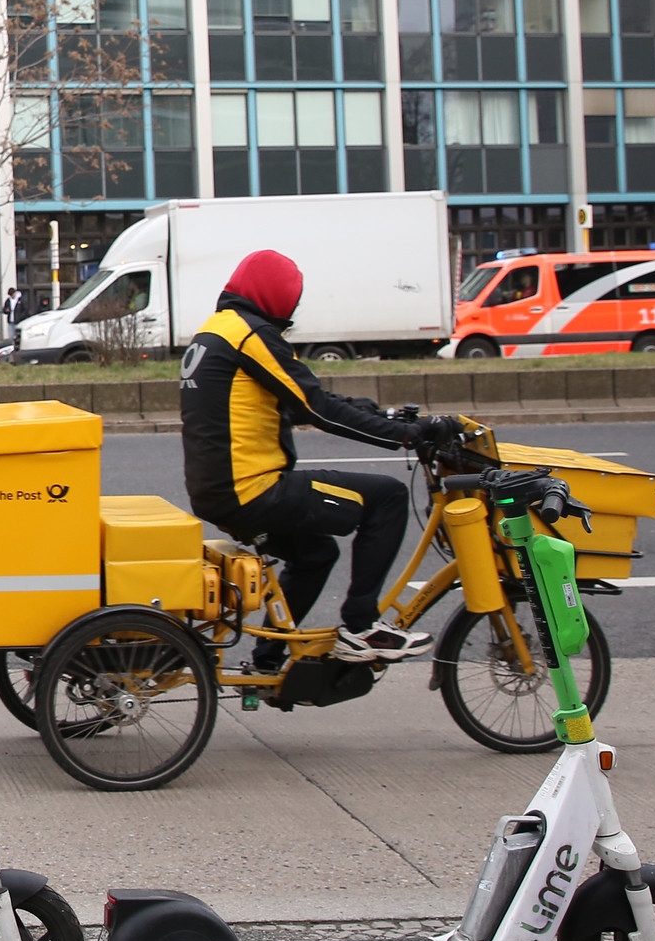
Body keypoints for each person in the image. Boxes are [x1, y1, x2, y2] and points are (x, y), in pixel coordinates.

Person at [180, 250, 455, 664]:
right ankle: (362, 627)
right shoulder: (251, 336)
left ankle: (270, 656)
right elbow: (316, 409)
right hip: (253, 491)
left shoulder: (217, 331)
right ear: (279, 296)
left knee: (316, 554)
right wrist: (403, 435)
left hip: (218, 491)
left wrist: (376, 414)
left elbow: (292, 399)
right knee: (388, 497)